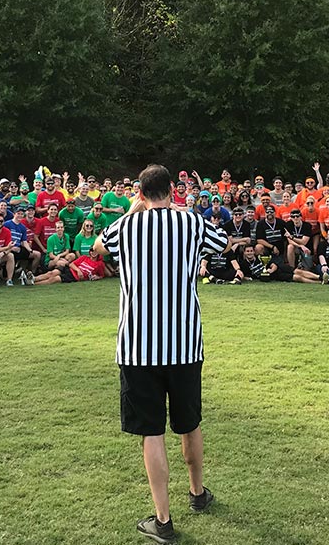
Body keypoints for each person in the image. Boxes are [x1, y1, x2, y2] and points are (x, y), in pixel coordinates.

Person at [93, 165, 225, 543]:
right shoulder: (191, 223)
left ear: (139, 192)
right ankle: (197, 493)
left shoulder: (124, 226)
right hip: (184, 344)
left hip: (138, 348)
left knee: (151, 432)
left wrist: (133, 211)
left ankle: (163, 519)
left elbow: (97, 248)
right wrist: (184, 211)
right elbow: (221, 242)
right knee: (189, 423)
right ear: (171, 189)